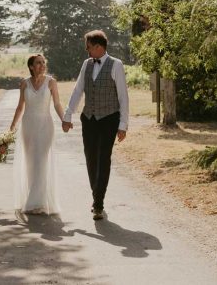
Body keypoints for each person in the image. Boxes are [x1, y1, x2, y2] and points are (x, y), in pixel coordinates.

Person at [62, 30, 128, 220]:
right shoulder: (86, 64)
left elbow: (123, 97)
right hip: (89, 118)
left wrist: (123, 125)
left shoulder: (116, 65)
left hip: (109, 118)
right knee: (91, 158)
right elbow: (78, 90)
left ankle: (98, 203)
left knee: (103, 158)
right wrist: (68, 115)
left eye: (89, 47)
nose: (87, 50)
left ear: (99, 47)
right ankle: (95, 195)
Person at [8, 54, 64, 215]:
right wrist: (12, 127)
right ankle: (34, 198)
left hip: (45, 125)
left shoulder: (51, 82)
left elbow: (57, 104)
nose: (42, 65)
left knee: (41, 161)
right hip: (28, 126)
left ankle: (37, 203)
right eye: (38, 63)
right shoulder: (24, 83)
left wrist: (64, 120)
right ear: (31, 66)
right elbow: (20, 107)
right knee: (31, 162)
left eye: (43, 62)